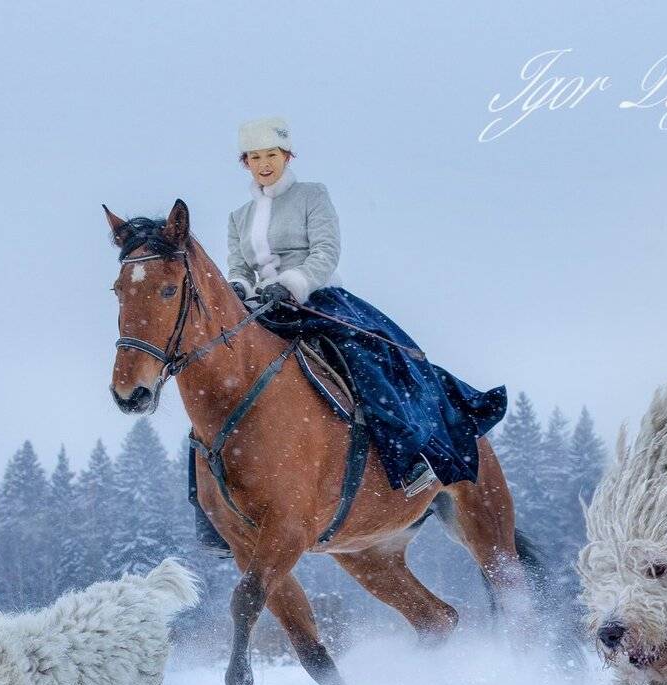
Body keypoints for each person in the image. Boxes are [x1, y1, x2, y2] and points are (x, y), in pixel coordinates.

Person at [193, 115, 508, 552]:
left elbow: (325, 251)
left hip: (317, 300)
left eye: (272, 155)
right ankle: (216, 513)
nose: (264, 164)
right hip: (261, 313)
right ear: (244, 163)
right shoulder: (238, 216)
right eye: (255, 157)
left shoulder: (311, 197)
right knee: (212, 394)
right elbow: (239, 268)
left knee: (369, 365)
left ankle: (415, 458)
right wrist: (243, 291)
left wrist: (294, 283)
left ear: (287, 157)